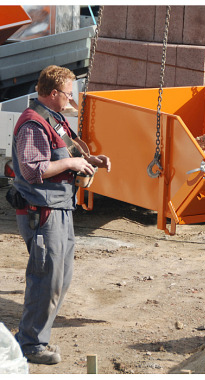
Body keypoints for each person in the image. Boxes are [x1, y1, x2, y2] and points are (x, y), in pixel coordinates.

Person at [12, 65, 111, 365]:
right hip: (42, 213)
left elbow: (63, 153)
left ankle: (34, 338)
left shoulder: (53, 120)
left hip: (60, 208)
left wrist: (87, 159)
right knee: (46, 279)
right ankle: (30, 344)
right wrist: (71, 166)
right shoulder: (32, 124)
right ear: (52, 93)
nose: (71, 100)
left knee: (60, 278)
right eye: (68, 95)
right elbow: (33, 170)